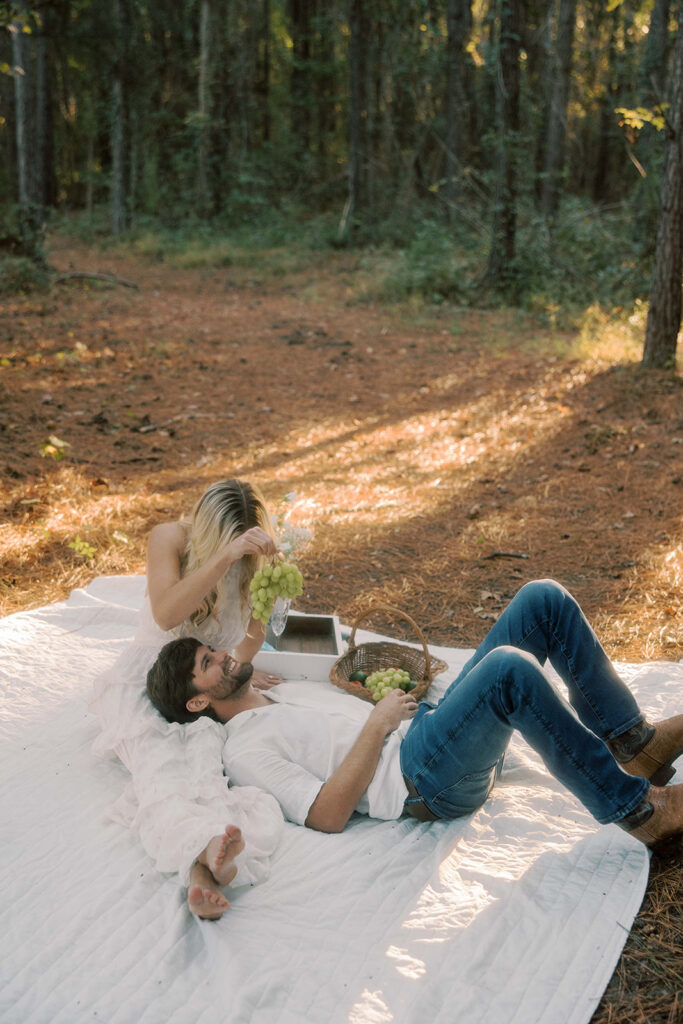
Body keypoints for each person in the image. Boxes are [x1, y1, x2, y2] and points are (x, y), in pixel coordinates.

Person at [146, 579, 683, 847]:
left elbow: (264, 647)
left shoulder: (273, 692)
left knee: (542, 600)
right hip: (422, 778)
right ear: (198, 703)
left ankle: (634, 744)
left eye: (213, 650)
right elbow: (326, 815)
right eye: (208, 663)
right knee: (508, 670)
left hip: (428, 729)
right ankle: (636, 810)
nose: (223, 655)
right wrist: (378, 723)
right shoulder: (245, 751)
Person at [90, 479, 286, 920]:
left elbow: (248, 640)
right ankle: (204, 859)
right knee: (160, 768)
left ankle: (206, 868)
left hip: (203, 687)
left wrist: (239, 669)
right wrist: (226, 556)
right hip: (149, 680)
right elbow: (166, 614)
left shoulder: (250, 562)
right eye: (230, 542)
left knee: (208, 770)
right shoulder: (169, 538)